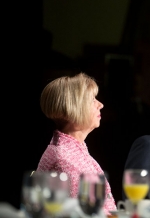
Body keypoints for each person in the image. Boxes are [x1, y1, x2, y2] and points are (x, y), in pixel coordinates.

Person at [36, 72, 116, 215]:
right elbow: (88, 213)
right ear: (71, 109)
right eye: (92, 100)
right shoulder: (64, 158)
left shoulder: (71, 149)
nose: (100, 104)